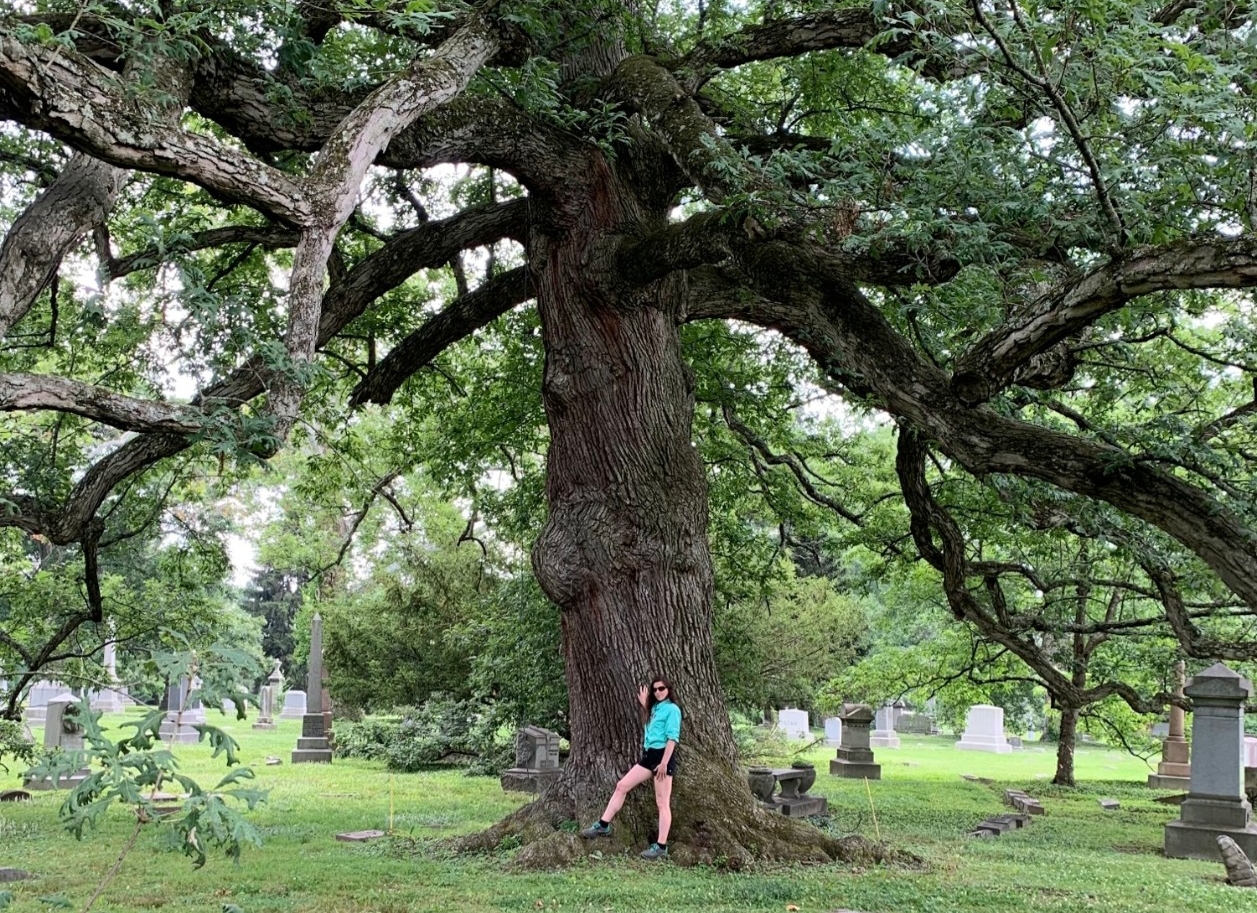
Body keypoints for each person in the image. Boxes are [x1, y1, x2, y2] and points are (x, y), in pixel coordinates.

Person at [580, 675, 681, 860]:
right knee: (622, 785)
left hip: (662, 759)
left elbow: (672, 738)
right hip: (648, 757)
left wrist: (664, 763)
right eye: (655, 689)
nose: (658, 692)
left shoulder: (673, 709)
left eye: (662, 689)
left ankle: (661, 847)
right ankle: (603, 825)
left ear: (669, 690)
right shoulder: (656, 709)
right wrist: (645, 704)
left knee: (662, 803)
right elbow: (654, 721)